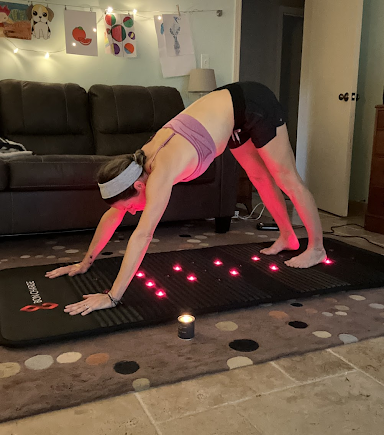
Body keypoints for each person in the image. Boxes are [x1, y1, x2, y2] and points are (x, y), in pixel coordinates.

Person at [46, 81, 327, 316]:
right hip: (229, 116)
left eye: (131, 207)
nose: (131, 212)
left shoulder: (160, 174)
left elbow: (143, 236)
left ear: (140, 188)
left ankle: (316, 248)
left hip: (251, 102)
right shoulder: (134, 167)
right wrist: (86, 262)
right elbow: (114, 213)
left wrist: (112, 297)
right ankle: (288, 237)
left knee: (285, 175)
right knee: (259, 177)